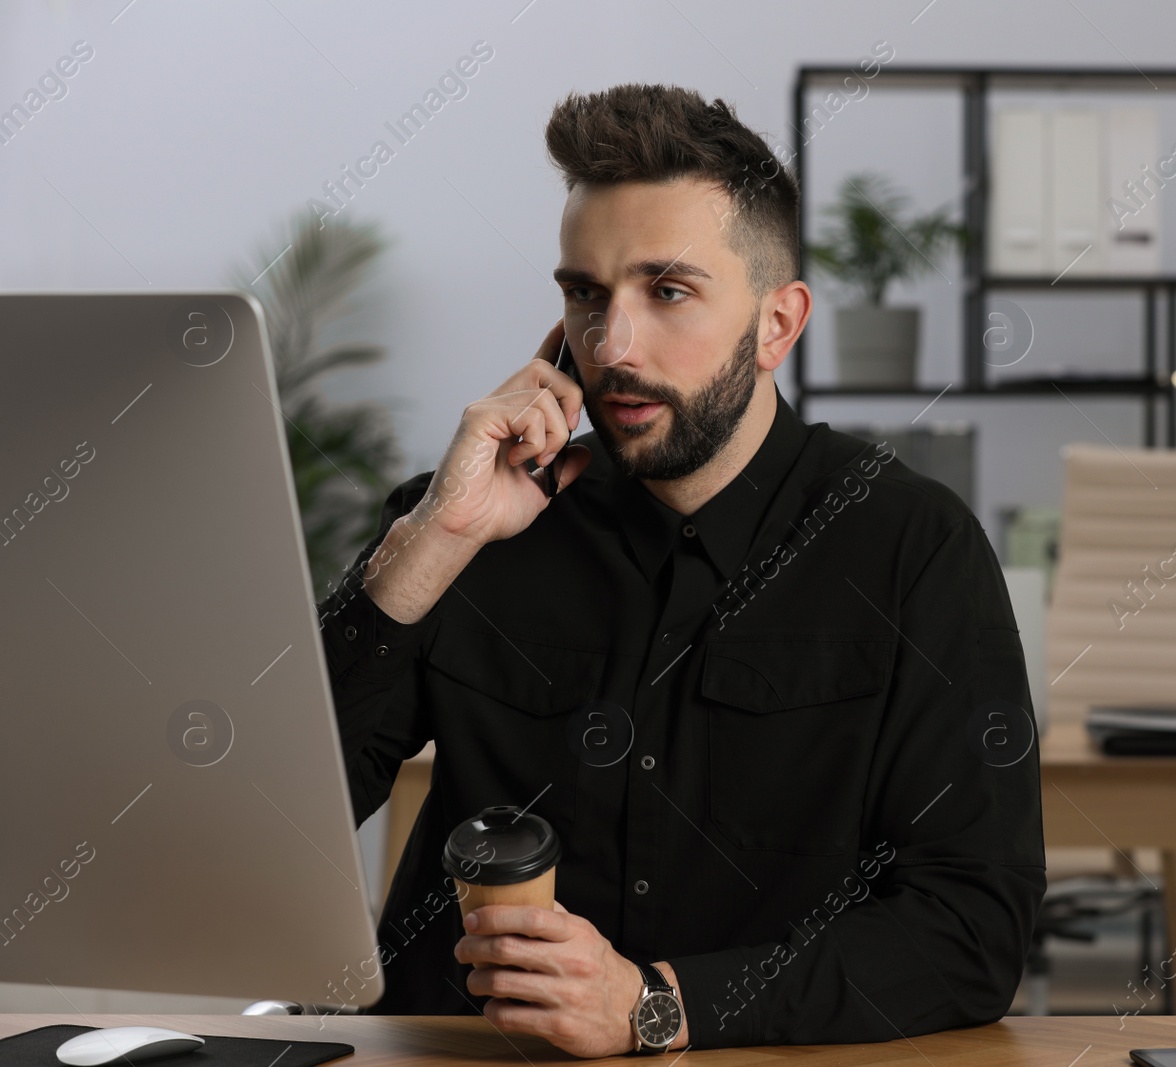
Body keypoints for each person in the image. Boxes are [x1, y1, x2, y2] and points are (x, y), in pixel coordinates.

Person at [316, 82, 1044, 1057]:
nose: (612, 345)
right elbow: (272, 823)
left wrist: (657, 1003)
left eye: (667, 291)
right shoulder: (467, 518)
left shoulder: (912, 548)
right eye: (584, 294)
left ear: (778, 324)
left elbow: (969, 929)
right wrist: (434, 539)